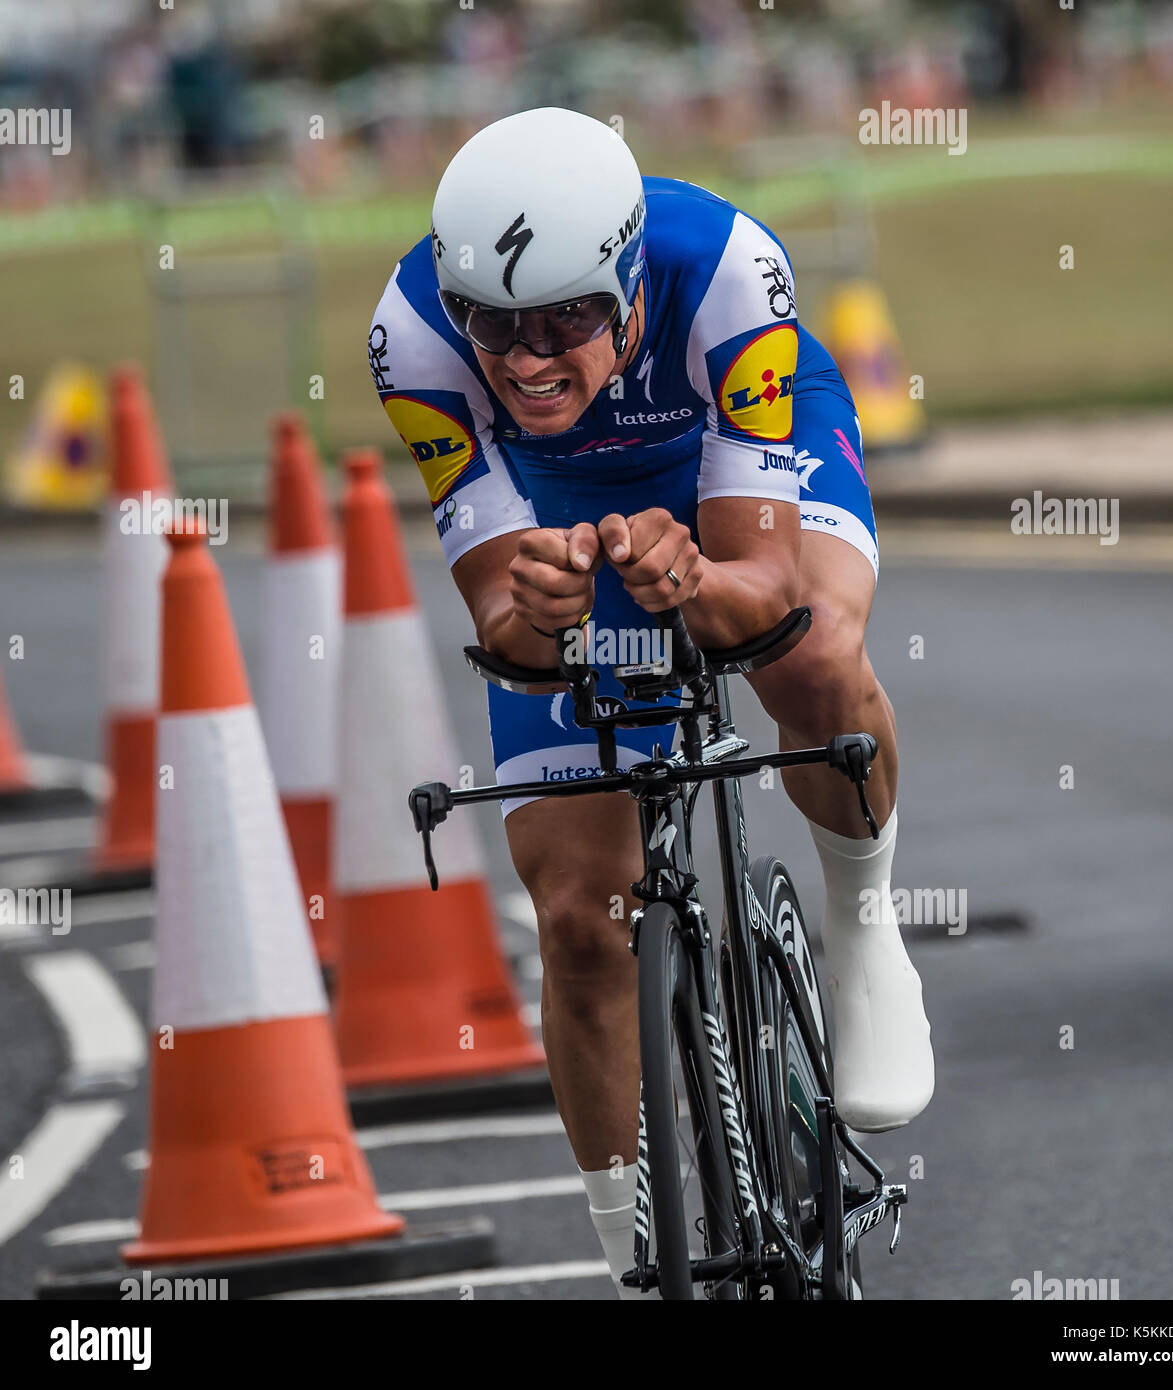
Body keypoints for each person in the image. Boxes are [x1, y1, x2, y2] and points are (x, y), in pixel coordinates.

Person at [369, 107, 933, 1299]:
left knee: (811, 650)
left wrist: (692, 581)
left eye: (568, 316)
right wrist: (544, 604)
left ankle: (862, 914)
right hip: (558, 496)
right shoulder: (412, 335)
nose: (528, 359)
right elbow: (506, 633)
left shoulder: (729, 270)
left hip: (727, 446)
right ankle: (632, 1248)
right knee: (579, 916)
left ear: (629, 283)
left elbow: (765, 585)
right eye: (501, 327)